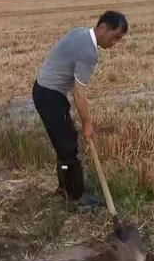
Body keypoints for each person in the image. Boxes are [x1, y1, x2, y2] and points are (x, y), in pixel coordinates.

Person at [32, 11, 128, 209]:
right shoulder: (89, 52)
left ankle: (65, 188)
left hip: (43, 90)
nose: (115, 43)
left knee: (63, 143)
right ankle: (76, 198)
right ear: (102, 28)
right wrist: (87, 124)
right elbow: (78, 93)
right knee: (67, 147)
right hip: (50, 96)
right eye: (115, 37)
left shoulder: (79, 32)